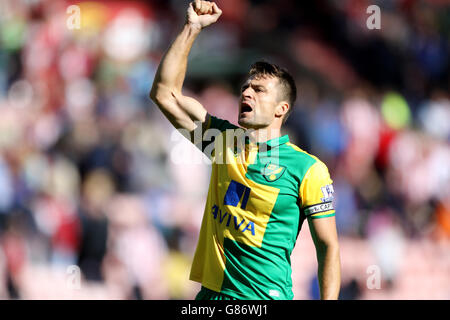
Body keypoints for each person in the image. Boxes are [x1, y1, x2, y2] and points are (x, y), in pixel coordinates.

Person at [150, 0, 341, 300]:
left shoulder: (308, 169)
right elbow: (164, 93)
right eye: (245, 88)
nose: (247, 93)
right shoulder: (223, 142)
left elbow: (327, 246)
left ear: (282, 109)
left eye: (258, 90)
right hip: (210, 298)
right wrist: (191, 28)